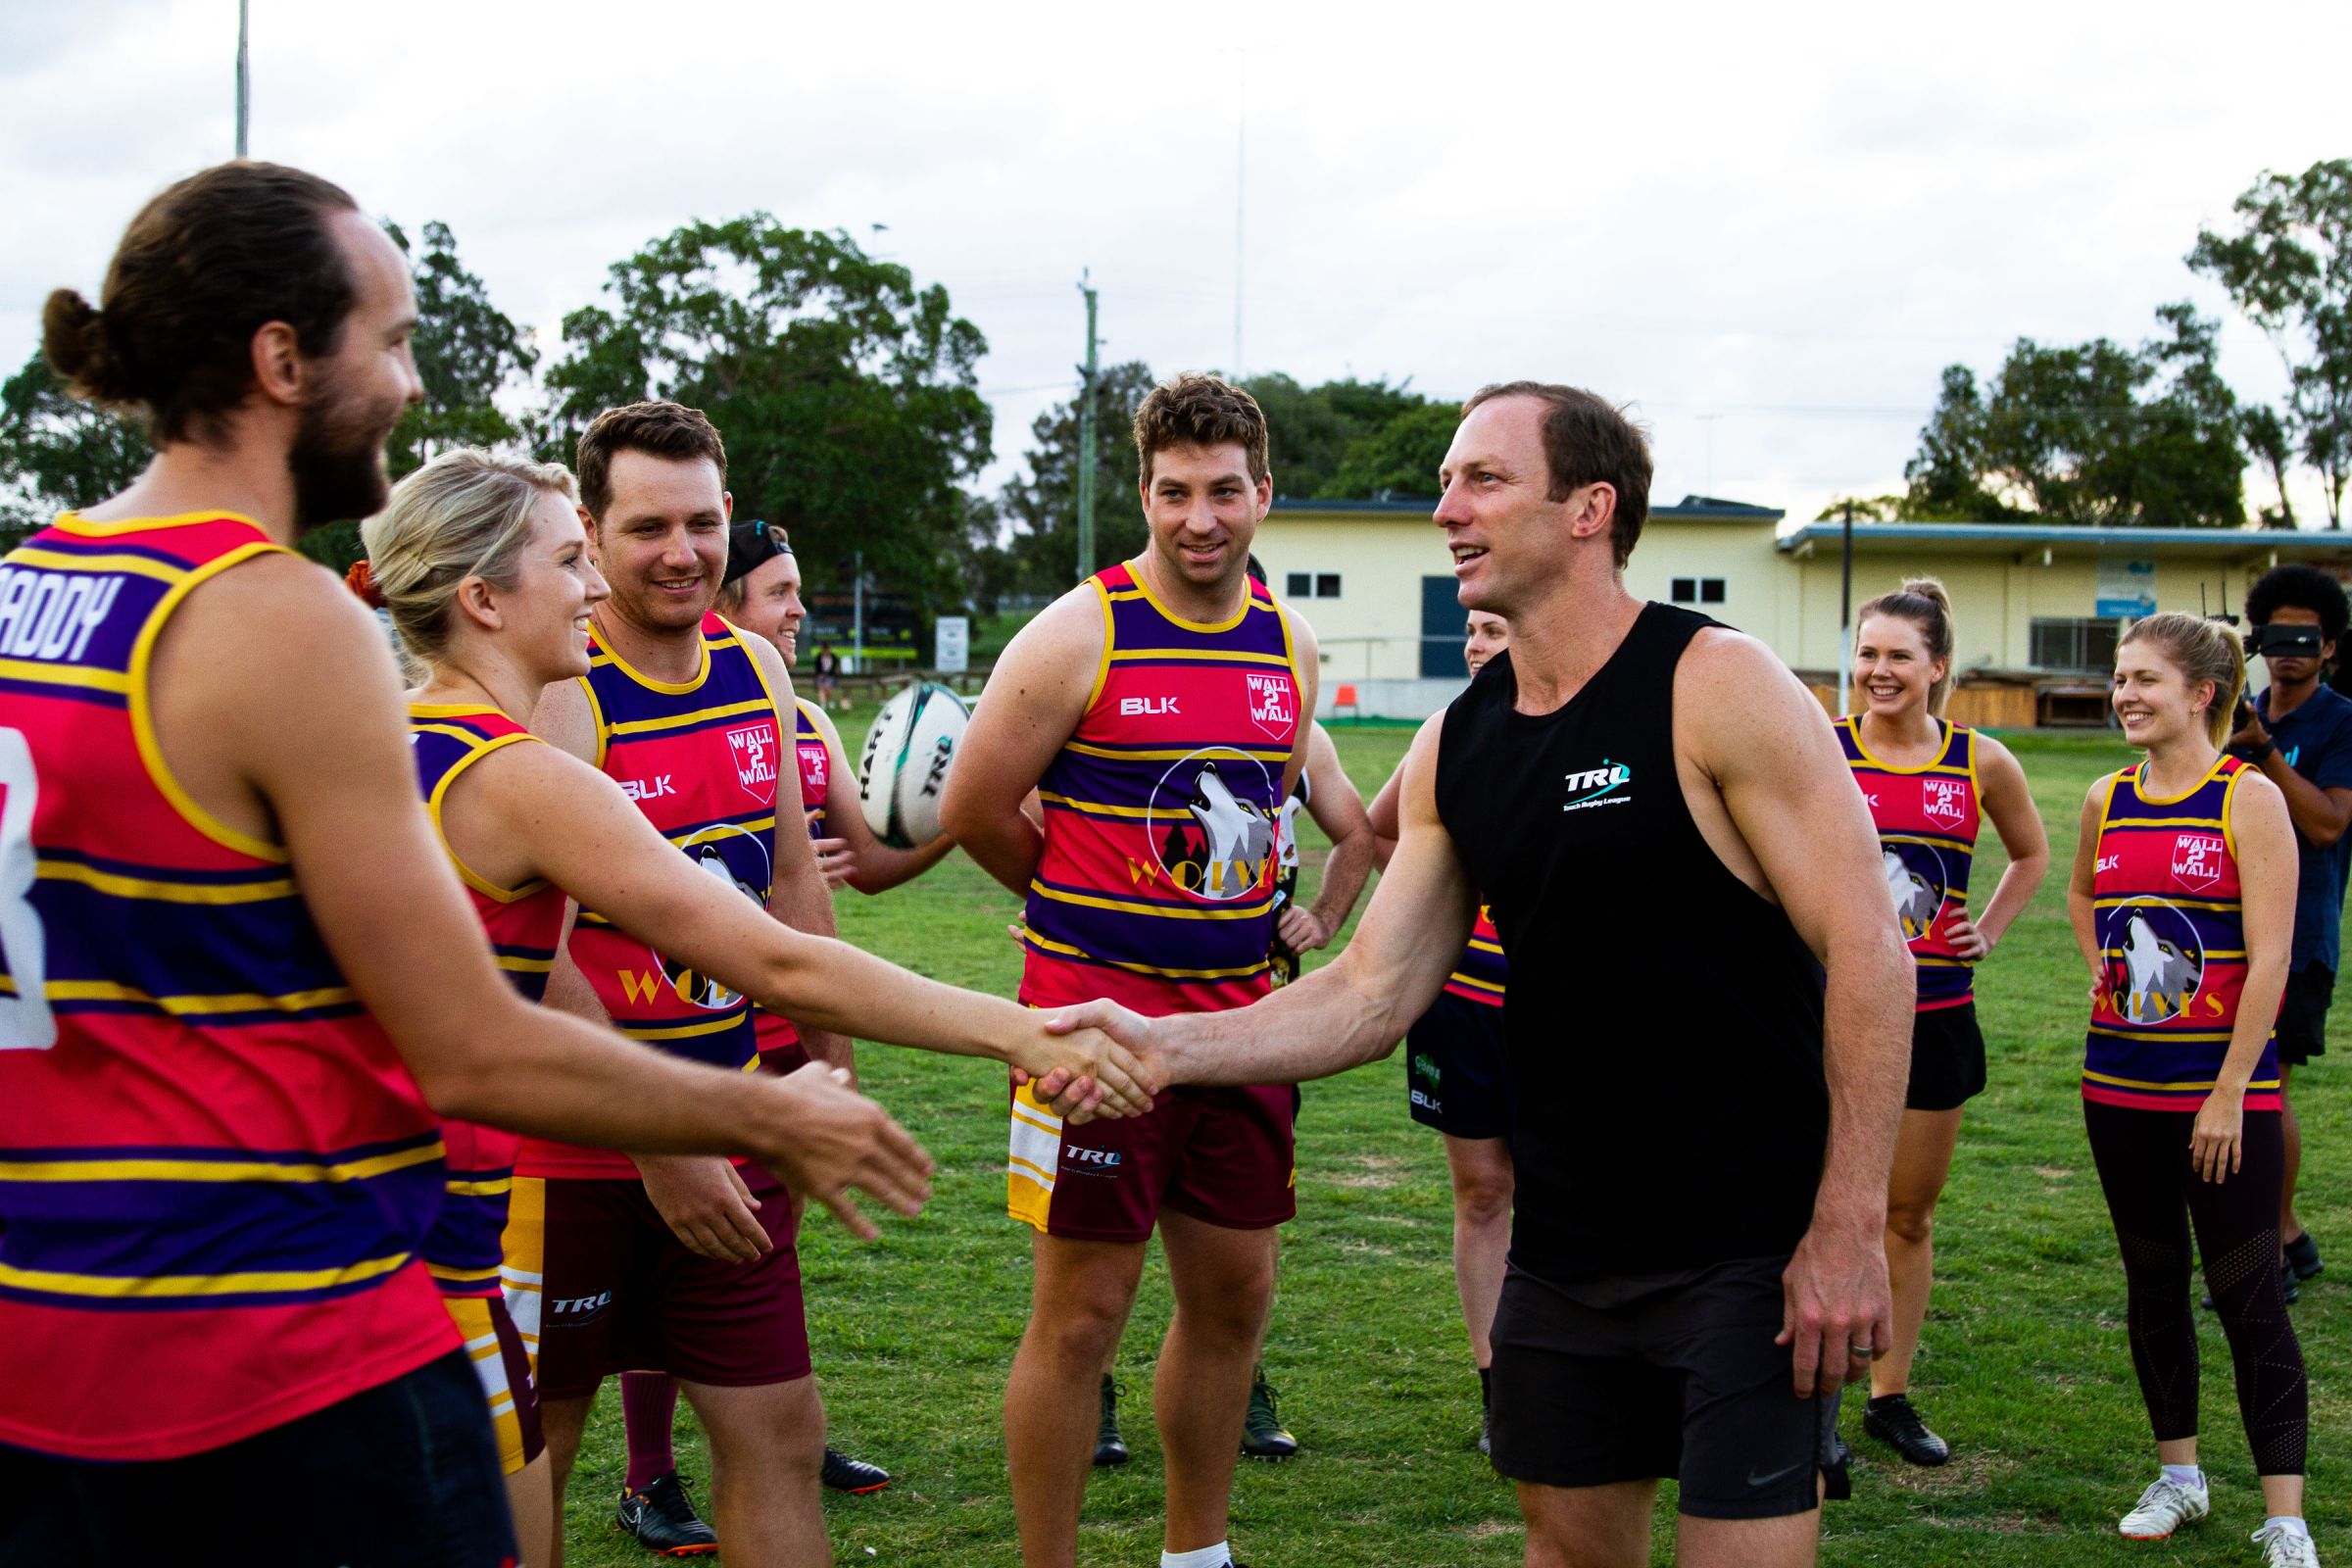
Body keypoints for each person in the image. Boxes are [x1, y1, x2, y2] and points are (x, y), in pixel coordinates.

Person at [0, 161, 935, 1568]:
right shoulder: (272, 616)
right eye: (390, 341)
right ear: (279, 360)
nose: (412, 383)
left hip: (50, 1342)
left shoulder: (32, 583)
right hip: (273, 1346)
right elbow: (472, 1041)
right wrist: (766, 1116)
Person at [1050, 380, 1915, 1568]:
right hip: (1564, 1253)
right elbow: (1367, 989)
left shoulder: (1718, 683)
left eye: (1482, 480)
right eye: (1450, 481)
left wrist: (1848, 1221)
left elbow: (1873, 948)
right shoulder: (1463, 739)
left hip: (1748, 1250)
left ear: (1588, 509)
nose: (1448, 508)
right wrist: (1160, 1044)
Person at [357, 449, 1144, 1567]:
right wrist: (1019, 1026)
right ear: (482, 598)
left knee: (739, 1444)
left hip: (376, 1223)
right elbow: (782, 961)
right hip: (463, 1226)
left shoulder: (392, 746)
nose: (593, 586)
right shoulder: (513, 770)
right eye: (574, 558)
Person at [941, 372, 1318, 1568]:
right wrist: (1073, 922)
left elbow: (1274, 809)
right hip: (1090, 1039)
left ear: (1262, 492)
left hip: (1248, 1034)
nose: (1198, 518)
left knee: (1234, 1303)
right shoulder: (1078, 630)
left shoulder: (1290, 642)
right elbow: (977, 806)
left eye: (1221, 491)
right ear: (1142, 494)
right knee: (1082, 1315)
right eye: (1172, 492)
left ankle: (1194, 1552)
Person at [596, 517, 953, 1519]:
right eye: (782, 591)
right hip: (654, 1045)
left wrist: (965, 805)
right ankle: (649, 1469)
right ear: (732, 597)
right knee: (681, 1245)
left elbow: (845, 866)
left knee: (762, 1245)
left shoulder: (790, 703)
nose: (799, 609)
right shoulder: (593, 694)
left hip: (778, 1007)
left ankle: (779, 1423)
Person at [2067, 612, 2314, 1565]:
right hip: (2117, 1086)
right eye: (2119, 679)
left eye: (2143, 680)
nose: (2122, 693)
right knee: (2154, 1284)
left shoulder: (2246, 799)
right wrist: (2099, 964)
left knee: (2251, 1294)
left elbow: (2275, 955)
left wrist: (2228, 1090)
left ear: (2201, 693)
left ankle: (2286, 1519)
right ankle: (2180, 1474)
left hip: (2223, 1096)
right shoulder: (2104, 794)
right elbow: (2086, 892)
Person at [1091, 706, 1376, 1472]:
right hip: (1128, 1013)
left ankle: (1244, 1381)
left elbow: (1359, 833)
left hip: (1257, 1022)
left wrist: (1321, 916)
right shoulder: (1127, 711)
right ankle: (1095, 1393)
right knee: (1099, 1240)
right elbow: (1028, 810)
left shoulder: (1298, 729)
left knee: (1245, 1233)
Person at [1833, 580, 2048, 1467]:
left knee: (1907, 1217)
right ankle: (1802, 1408)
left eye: (1898, 656)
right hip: (1829, 1011)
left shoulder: (1982, 761)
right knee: (1809, 1206)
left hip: (1937, 1014)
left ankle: (1889, 1395)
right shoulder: (1820, 745)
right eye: (1868, 653)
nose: (1878, 672)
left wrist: (1985, 932)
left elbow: (2033, 853)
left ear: (1937, 667)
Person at [1366, 608, 1515, 1458]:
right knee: (1484, 1191)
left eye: (1494, 630)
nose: (1476, 645)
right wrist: (1436, 910)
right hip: (1462, 1004)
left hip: (1573, 1012)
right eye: (1471, 632)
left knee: (1572, 1193)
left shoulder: (1595, 727)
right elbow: (1383, 828)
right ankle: (1502, 1390)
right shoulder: (1444, 733)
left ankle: (1576, 1380)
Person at [2229, 564, 2352, 1301]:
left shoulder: (2338, 721)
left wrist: (2263, 749)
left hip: (2298, 937)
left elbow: (2331, 823)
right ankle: (2291, 1235)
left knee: (2262, 1090)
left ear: (2331, 645)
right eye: (2276, 635)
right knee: (2245, 1087)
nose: (2290, 650)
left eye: (2306, 637)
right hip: (2226, 927)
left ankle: (2267, 1250)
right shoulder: (2235, 708)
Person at [814, 640, 842, 710]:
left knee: (826, 687)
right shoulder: (819, 657)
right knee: (821, 688)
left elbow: (833, 669)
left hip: (830, 677)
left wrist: (827, 674)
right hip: (821, 677)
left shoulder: (833, 657)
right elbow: (817, 669)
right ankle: (823, 704)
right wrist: (821, 675)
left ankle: (829, 702)